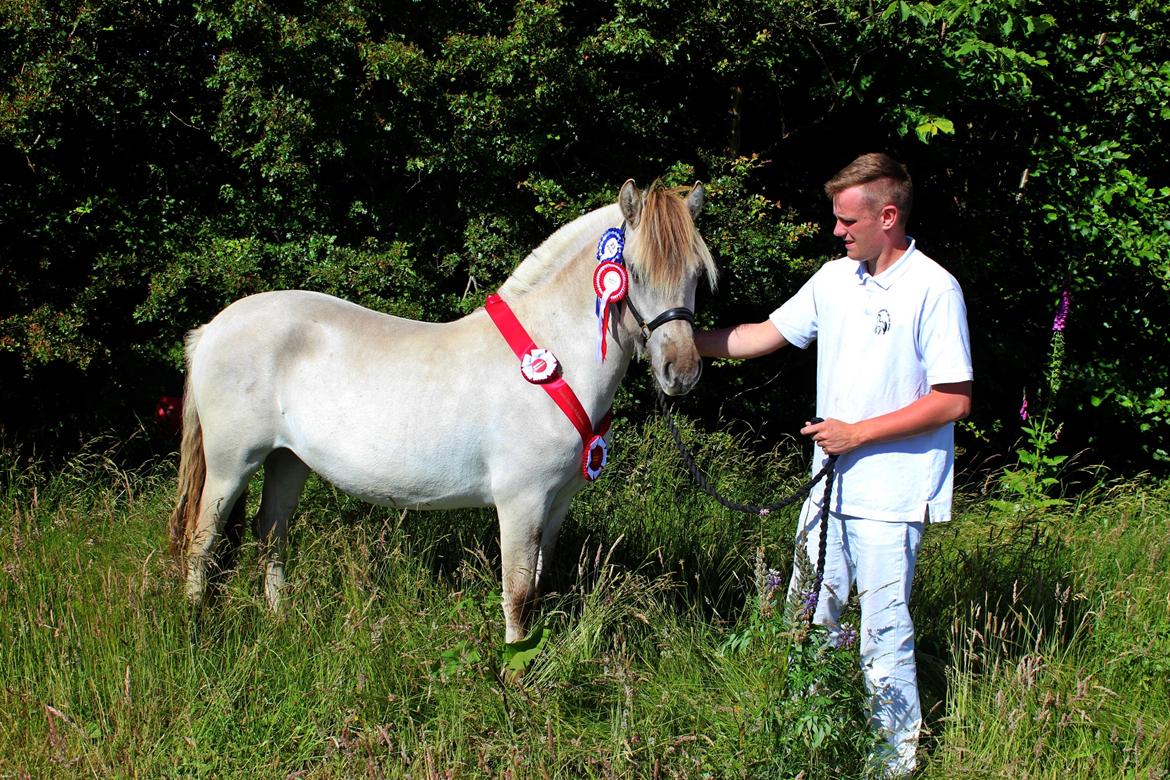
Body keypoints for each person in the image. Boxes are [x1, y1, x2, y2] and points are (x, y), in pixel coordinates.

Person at [694, 152, 973, 776]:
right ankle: (803, 737)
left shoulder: (934, 287)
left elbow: (954, 398)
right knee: (805, 619)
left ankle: (891, 761)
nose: (838, 230)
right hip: (828, 493)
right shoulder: (834, 279)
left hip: (891, 495)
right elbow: (763, 334)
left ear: (889, 216)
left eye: (849, 220)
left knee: (882, 632)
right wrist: (680, 342)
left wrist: (858, 433)